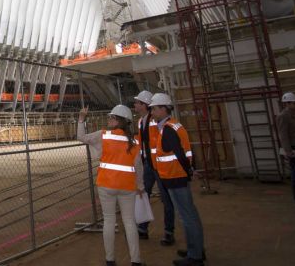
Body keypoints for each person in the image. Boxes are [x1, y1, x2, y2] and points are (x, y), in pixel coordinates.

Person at [78, 105, 144, 266]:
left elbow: (81, 137)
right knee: (129, 222)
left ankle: (110, 260)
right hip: (127, 186)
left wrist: (81, 119)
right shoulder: (135, 141)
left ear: (120, 121)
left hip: (106, 184)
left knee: (109, 221)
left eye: (112, 117)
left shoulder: (104, 136)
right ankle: (135, 261)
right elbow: (139, 166)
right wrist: (140, 186)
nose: (109, 119)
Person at [149, 93, 206, 266]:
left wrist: (189, 171)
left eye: (154, 108)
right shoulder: (173, 126)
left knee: (187, 216)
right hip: (176, 176)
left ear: (164, 108)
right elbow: (185, 152)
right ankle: (195, 249)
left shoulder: (168, 129)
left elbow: (180, 154)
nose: (152, 111)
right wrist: (190, 169)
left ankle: (195, 257)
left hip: (175, 177)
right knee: (190, 214)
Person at [134, 90, 176, 246]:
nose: (135, 105)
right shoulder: (140, 121)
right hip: (147, 165)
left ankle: (169, 232)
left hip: (159, 165)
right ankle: (143, 228)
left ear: (144, 105)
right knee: (143, 194)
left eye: (138, 102)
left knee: (166, 199)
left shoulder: (156, 120)